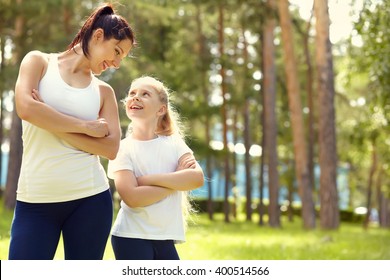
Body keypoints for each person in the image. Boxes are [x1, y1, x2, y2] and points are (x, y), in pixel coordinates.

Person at [8, 3, 135, 260]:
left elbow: (110, 149)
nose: (117, 63)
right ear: (98, 36)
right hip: (35, 202)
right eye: (117, 51)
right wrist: (86, 128)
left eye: (123, 58)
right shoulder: (38, 62)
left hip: (90, 200)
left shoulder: (103, 92)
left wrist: (48, 118)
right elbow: (26, 108)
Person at [107, 76, 204, 260]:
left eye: (145, 94)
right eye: (132, 93)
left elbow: (196, 178)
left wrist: (147, 180)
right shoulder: (122, 148)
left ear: (161, 109)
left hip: (165, 238)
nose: (136, 97)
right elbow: (133, 197)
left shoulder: (175, 143)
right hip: (130, 236)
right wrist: (176, 179)